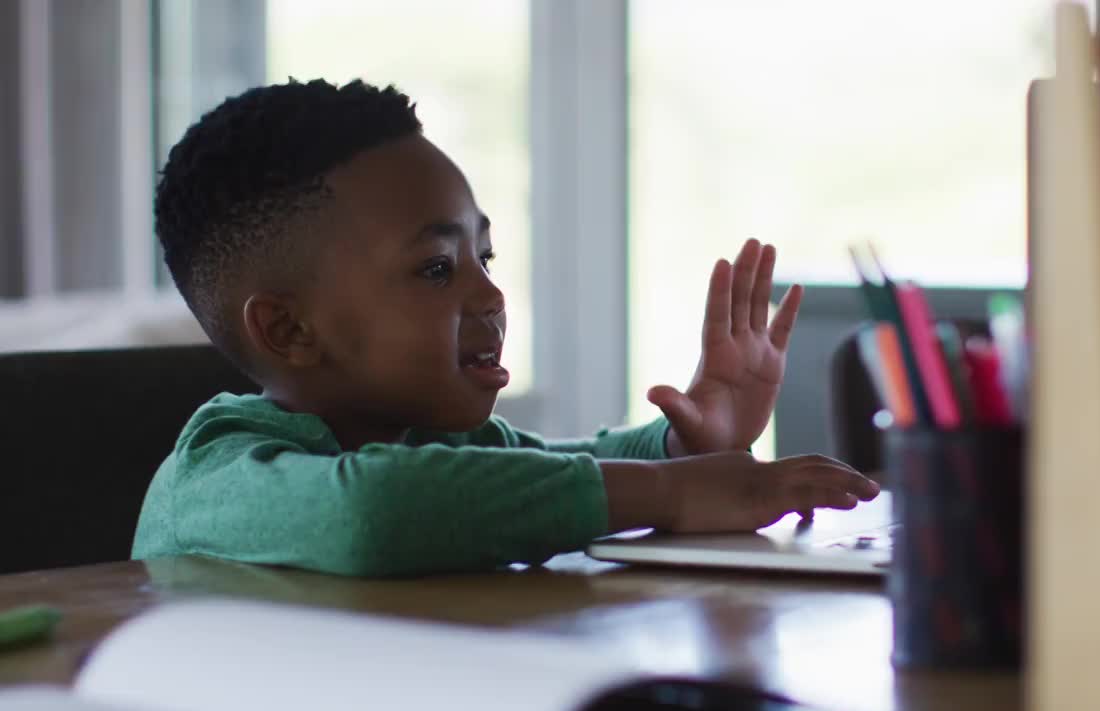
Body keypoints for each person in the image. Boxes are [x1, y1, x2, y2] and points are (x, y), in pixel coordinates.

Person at [132, 79, 878, 576]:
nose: (490, 294)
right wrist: (673, 491)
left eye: (483, 256)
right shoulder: (215, 473)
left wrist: (682, 444)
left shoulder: (435, 444)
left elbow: (559, 463)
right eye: (435, 268)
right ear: (290, 331)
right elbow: (377, 510)